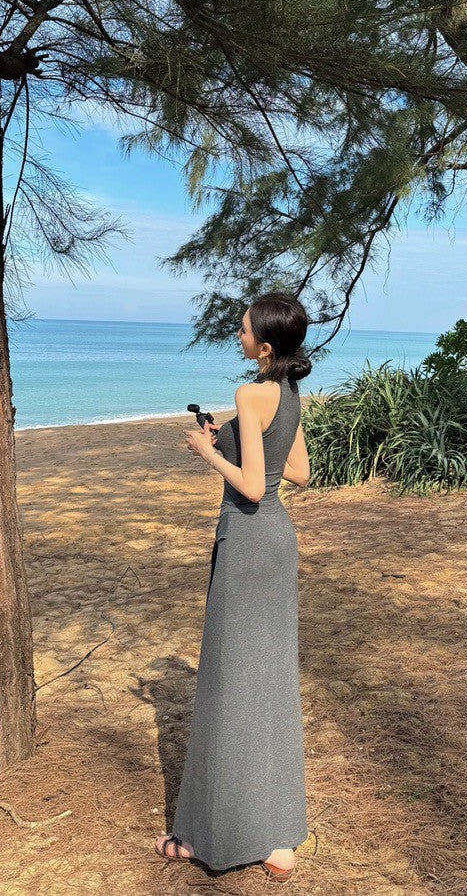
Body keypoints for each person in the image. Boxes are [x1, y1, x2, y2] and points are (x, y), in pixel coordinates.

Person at [154, 292, 312, 882]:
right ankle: (278, 841)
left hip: (247, 540)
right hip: (278, 542)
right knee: (269, 682)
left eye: (244, 330)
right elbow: (297, 472)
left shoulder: (251, 392)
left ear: (265, 347)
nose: (238, 336)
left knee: (227, 683)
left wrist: (206, 452)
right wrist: (234, 442)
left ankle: (209, 836)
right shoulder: (289, 392)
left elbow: (252, 487)